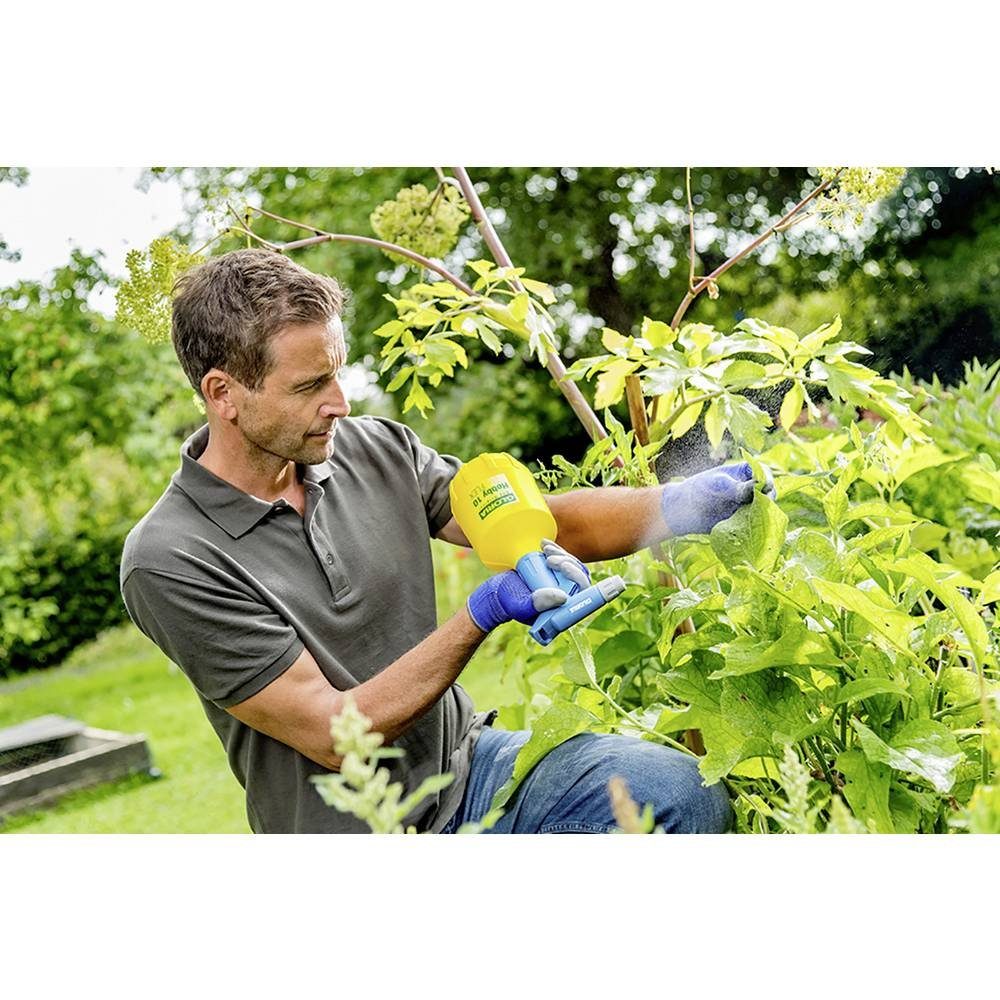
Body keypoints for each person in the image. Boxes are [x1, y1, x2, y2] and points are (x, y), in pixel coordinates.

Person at [120, 249, 763, 834]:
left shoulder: (375, 449)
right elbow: (339, 733)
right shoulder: (171, 559)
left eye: (337, 375)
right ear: (223, 394)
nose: (340, 403)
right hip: (364, 827)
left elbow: (533, 524)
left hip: (473, 768)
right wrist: (479, 616)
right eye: (310, 386)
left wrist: (678, 503)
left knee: (677, 795)